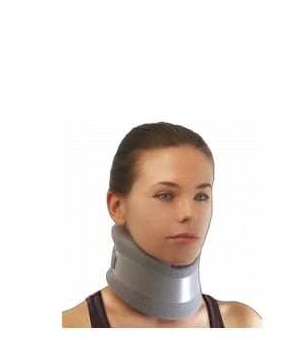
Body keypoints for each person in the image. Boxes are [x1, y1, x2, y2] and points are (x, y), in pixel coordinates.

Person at [62, 122, 262, 328]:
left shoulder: (242, 323)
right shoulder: (71, 326)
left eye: (201, 196)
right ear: (117, 207)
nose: (189, 214)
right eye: (165, 195)